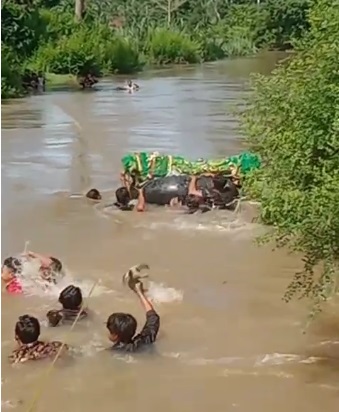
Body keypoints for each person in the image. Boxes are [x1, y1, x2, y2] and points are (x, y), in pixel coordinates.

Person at [106, 278, 160, 352]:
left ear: (115, 336)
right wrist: (139, 292)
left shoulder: (112, 352)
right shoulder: (145, 341)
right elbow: (153, 317)